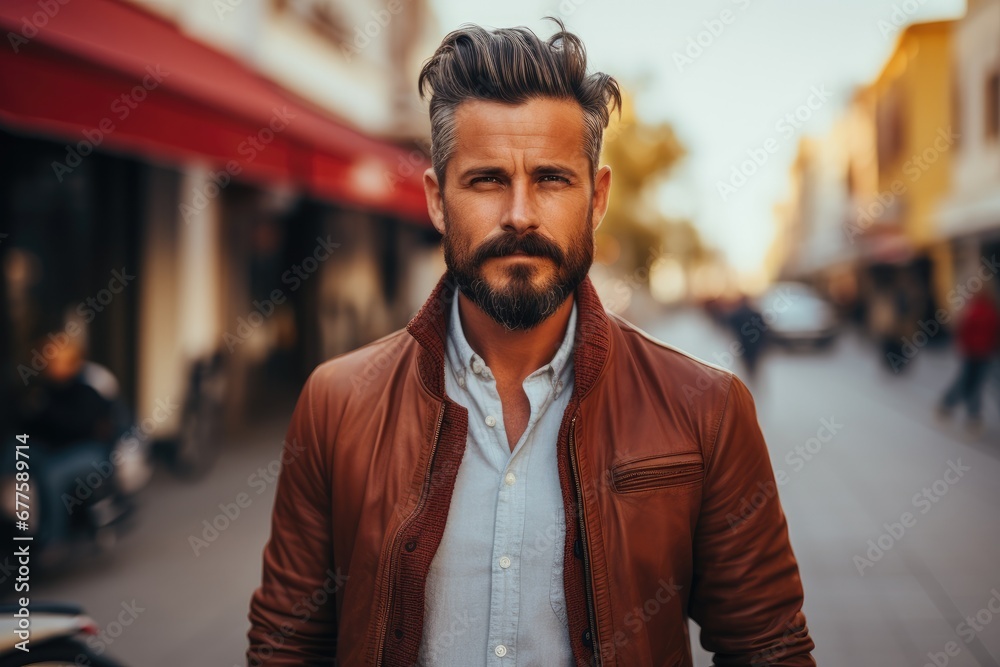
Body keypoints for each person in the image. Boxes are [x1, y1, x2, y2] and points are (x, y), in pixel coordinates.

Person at [248, 19, 815, 667]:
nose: (520, 213)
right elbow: (286, 645)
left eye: (551, 179)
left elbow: (770, 650)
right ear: (437, 201)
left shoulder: (707, 410)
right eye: (487, 180)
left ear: (597, 198)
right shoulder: (337, 404)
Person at [13, 334, 119, 549]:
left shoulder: (86, 390)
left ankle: (53, 540)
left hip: (90, 451)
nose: (51, 367)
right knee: (13, 452)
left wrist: (45, 411)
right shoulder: (44, 392)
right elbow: (33, 430)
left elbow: (78, 428)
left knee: (51, 473)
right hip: (58, 450)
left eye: (56, 361)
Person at [937, 291, 1000, 436]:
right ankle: (972, 416)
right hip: (983, 354)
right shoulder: (991, 313)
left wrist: (963, 346)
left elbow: (963, 330)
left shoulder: (973, 310)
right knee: (974, 384)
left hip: (974, 353)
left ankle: (950, 406)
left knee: (966, 382)